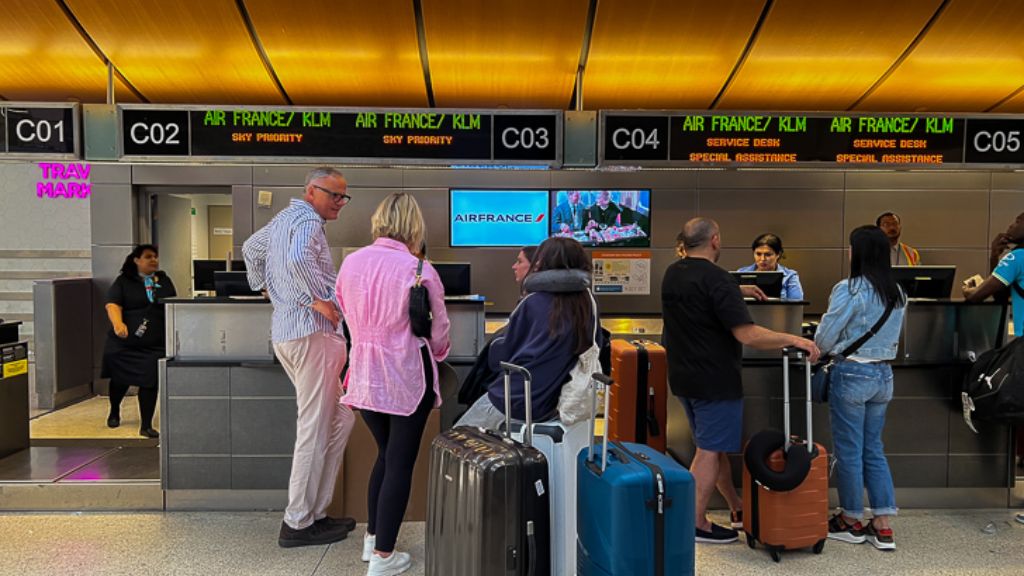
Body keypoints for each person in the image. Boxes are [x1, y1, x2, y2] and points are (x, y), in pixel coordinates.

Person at [661, 217, 819, 544]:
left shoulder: (674, 272)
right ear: (715, 240)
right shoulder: (717, 279)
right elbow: (748, 334)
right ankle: (694, 523)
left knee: (712, 448)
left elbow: (703, 297)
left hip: (683, 378)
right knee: (707, 451)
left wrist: (737, 289)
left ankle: (736, 506)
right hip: (715, 381)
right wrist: (795, 338)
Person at [337, 192, 451, 576]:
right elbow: (439, 331)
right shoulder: (420, 270)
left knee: (385, 455)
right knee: (400, 462)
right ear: (414, 226)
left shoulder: (350, 264)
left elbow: (344, 316)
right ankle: (385, 557)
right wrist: (438, 352)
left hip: (365, 375)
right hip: (406, 376)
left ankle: (374, 541)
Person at [242, 167, 356, 548]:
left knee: (339, 416)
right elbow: (295, 261)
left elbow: (250, 249)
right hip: (312, 335)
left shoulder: (284, 219)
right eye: (334, 195)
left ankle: (315, 512)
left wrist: (262, 287)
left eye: (343, 196)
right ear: (311, 191)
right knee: (314, 425)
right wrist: (315, 299)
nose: (340, 202)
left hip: (290, 334)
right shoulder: (306, 221)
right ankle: (297, 522)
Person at [816, 225, 907, 551]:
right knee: (873, 448)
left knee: (850, 451)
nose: (848, 252)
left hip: (853, 375)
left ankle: (852, 520)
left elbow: (825, 338)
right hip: (884, 377)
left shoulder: (850, 288)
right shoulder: (897, 292)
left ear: (860, 252)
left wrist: (824, 345)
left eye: (851, 247)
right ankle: (882, 526)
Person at [457, 237, 602, 429]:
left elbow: (502, 356)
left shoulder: (533, 302)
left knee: (459, 441)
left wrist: (495, 343)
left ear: (542, 263)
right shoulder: (588, 303)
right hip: (557, 404)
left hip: (515, 398)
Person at [102, 244, 176, 438]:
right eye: (148, 257)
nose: (154, 260)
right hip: (125, 342)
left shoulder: (164, 280)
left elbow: (173, 305)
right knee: (119, 380)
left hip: (154, 343)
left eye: (155, 256)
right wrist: (118, 324)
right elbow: (112, 304)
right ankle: (114, 411)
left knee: (150, 382)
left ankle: (146, 425)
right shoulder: (124, 281)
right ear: (136, 260)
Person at [736, 233, 804, 300]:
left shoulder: (790, 276)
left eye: (768, 254)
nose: (762, 259)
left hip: (779, 311)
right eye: (758, 254)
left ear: (778, 254)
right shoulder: (741, 273)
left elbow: (796, 306)